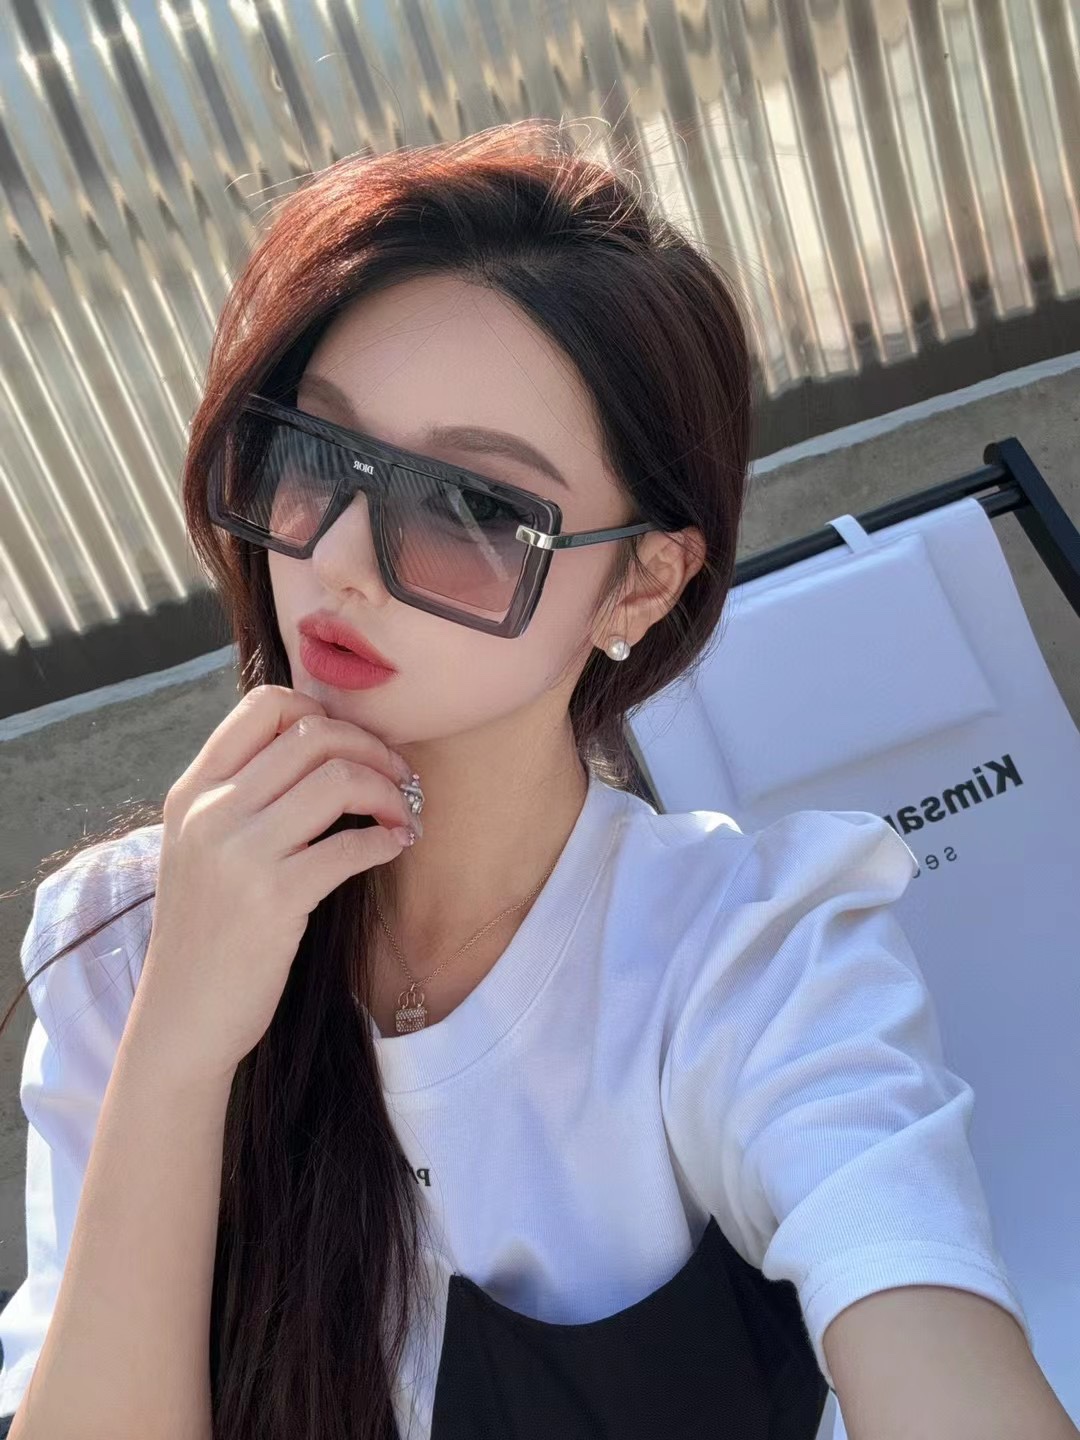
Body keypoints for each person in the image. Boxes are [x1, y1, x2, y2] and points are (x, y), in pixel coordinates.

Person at [0, 120, 1041, 1440]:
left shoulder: (746, 957)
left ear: (642, 582)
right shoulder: (125, 942)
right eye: (316, 453)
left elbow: (916, 1297)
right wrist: (177, 1050)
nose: (341, 563)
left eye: (476, 509)